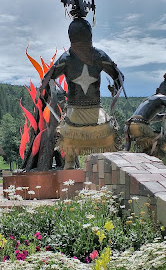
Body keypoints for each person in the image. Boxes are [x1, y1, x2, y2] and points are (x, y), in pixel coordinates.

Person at [40, 17, 124, 169]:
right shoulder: (99, 55)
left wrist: (53, 94)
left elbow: (46, 82)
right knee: (109, 140)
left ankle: (70, 168)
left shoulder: (65, 58)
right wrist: (114, 89)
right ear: (90, 35)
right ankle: (103, 171)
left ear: (70, 36)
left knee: (69, 154)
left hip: (73, 120)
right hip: (98, 119)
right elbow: (119, 78)